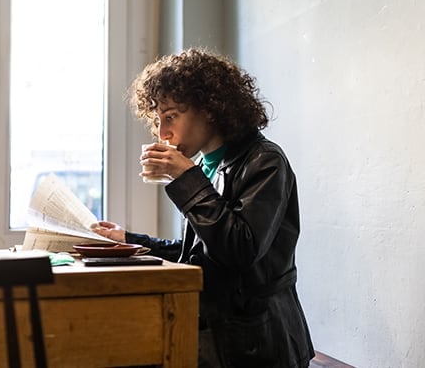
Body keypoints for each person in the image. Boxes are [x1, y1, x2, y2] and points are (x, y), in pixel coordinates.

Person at [92, 48, 314, 367]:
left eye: (171, 116)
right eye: (157, 120)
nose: (162, 132)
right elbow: (196, 253)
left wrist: (186, 178)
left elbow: (239, 249)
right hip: (218, 336)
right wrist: (127, 239)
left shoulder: (265, 161)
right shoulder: (205, 165)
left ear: (209, 108)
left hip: (259, 342)